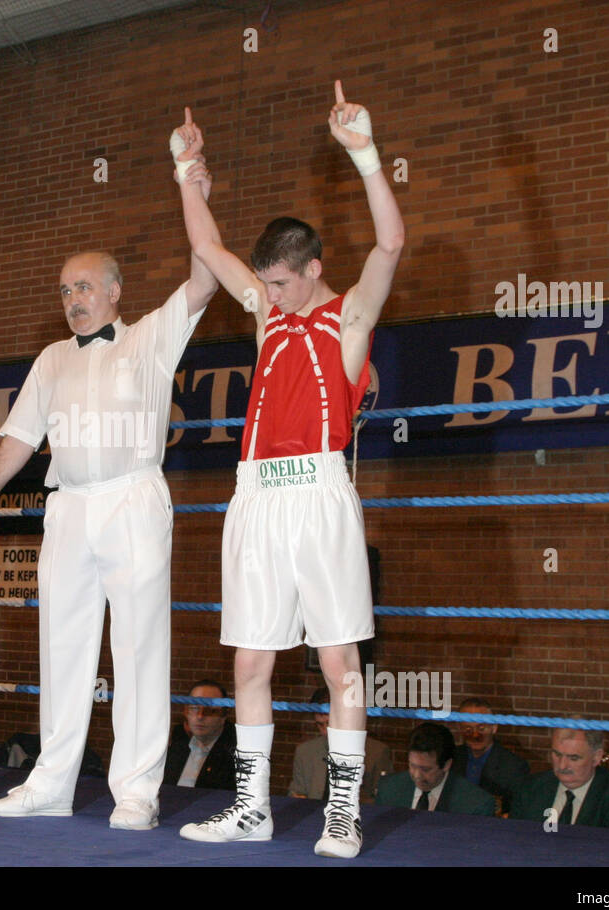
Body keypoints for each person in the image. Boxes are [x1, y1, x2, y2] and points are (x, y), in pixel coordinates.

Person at [172, 82, 405, 858]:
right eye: (263, 284)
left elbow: (390, 248)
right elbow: (210, 249)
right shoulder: (271, 314)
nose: (264, 297)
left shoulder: (349, 318)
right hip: (256, 497)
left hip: (318, 488)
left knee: (339, 661)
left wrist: (365, 155)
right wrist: (187, 173)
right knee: (248, 662)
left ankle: (342, 813)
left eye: (277, 283)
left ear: (309, 270)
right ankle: (251, 807)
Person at [0, 170, 218, 829]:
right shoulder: (50, 359)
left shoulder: (152, 336)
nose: (73, 297)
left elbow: (207, 276)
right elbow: (16, 441)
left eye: (83, 286)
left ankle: (136, 791)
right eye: (65, 289)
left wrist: (191, 187)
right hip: (67, 505)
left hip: (132, 499)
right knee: (63, 646)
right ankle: (51, 783)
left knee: (138, 647)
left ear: (114, 291)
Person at [509, 724, 609, 830]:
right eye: (557, 754)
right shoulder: (530, 789)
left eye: (573, 758)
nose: (562, 766)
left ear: (596, 757)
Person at [288, 688, 391, 802]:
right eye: (319, 725)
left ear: (345, 717)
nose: (324, 731)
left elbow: (382, 801)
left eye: (329, 723)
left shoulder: (376, 752)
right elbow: (296, 792)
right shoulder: (305, 752)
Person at [374, 722, 495, 815]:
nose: (417, 775)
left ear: (447, 765)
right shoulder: (388, 789)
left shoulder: (475, 803)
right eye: (412, 765)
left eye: (425, 769)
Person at [455, 697, 529, 814]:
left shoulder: (514, 766)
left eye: (481, 728)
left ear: (494, 728)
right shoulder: (450, 758)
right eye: (468, 729)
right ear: (459, 728)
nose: (475, 735)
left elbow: (518, 812)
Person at [163, 680, 237, 790]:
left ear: (224, 715)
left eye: (210, 710)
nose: (200, 716)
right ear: (186, 712)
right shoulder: (177, 742)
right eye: (194, 708)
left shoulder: (236, 751)